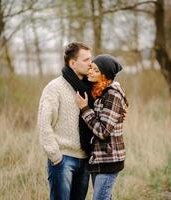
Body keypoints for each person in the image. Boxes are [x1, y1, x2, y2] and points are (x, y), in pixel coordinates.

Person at [38, 42, 95, 200]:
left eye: (91, 59)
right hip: (63, 159)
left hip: (84, 159)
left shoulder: (90, 87)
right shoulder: (54, 88)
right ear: (72, 63)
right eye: (86, 60)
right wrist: (55, 156)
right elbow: (44, 124)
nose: (91, 63)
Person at [75, 54, 128, 200]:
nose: (90, 71)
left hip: (109, 158)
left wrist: (85, 109)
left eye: (95, 70)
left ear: (104, 76)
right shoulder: (99, 91)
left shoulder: (112, 95)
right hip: (98, 158)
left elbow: (103, 131)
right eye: (91, 67)